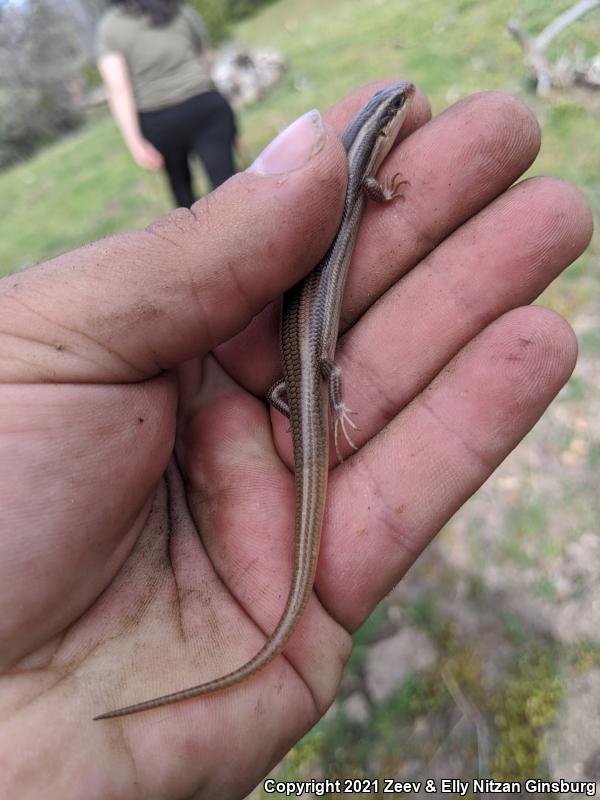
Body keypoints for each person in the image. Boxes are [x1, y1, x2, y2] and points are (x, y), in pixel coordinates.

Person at [0, 81, 592, 798]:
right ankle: (324, 415)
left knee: (316, 380)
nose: (401, 106)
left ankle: (316, 427)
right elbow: (367, 193)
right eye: (395, 109)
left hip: (298, 371)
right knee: (320, 377)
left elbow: (363, 193)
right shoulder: (360, 169)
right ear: (380, 132)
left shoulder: (358, 171)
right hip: (307, 365)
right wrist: (329, 395)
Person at [97, 0, 237, 208]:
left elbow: (118, 89)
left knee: (182, 194)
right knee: (228, 188)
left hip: (160, 121)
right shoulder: (179, 9)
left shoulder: (110, 27)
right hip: (205, 107)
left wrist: (135, 142)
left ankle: (192, 235)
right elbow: (206, 57)